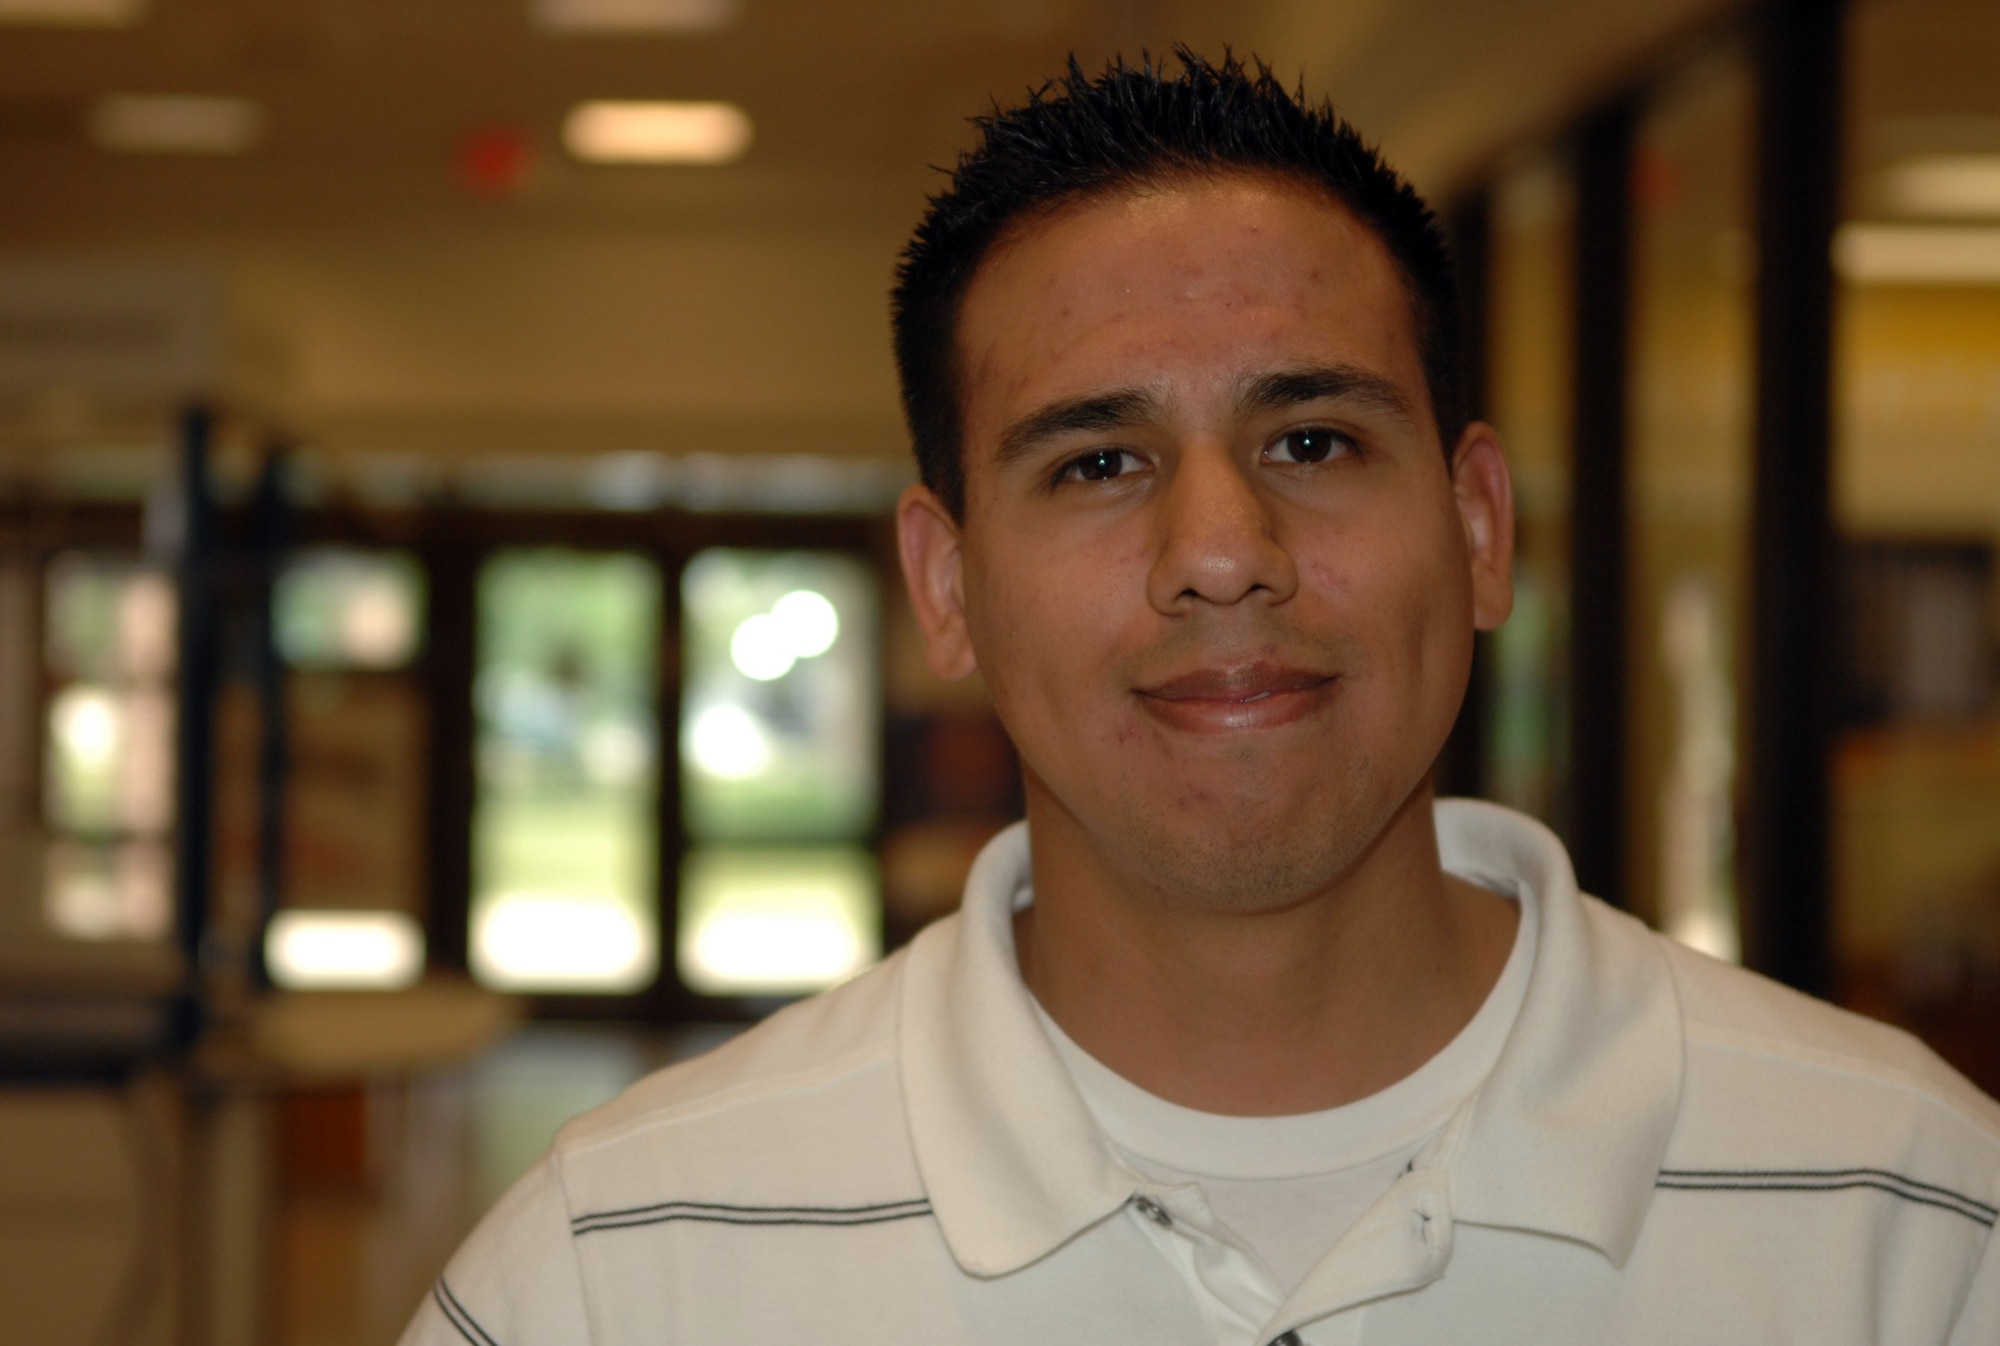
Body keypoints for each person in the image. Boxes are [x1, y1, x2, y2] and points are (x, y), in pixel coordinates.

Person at [402, 52, 1998, 1346]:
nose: (1223, 555)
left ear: (1480, 528)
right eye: (1100, 462)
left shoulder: (1910, 1217)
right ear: (947, 587)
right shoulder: (625, 1266)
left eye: (1312, 439)